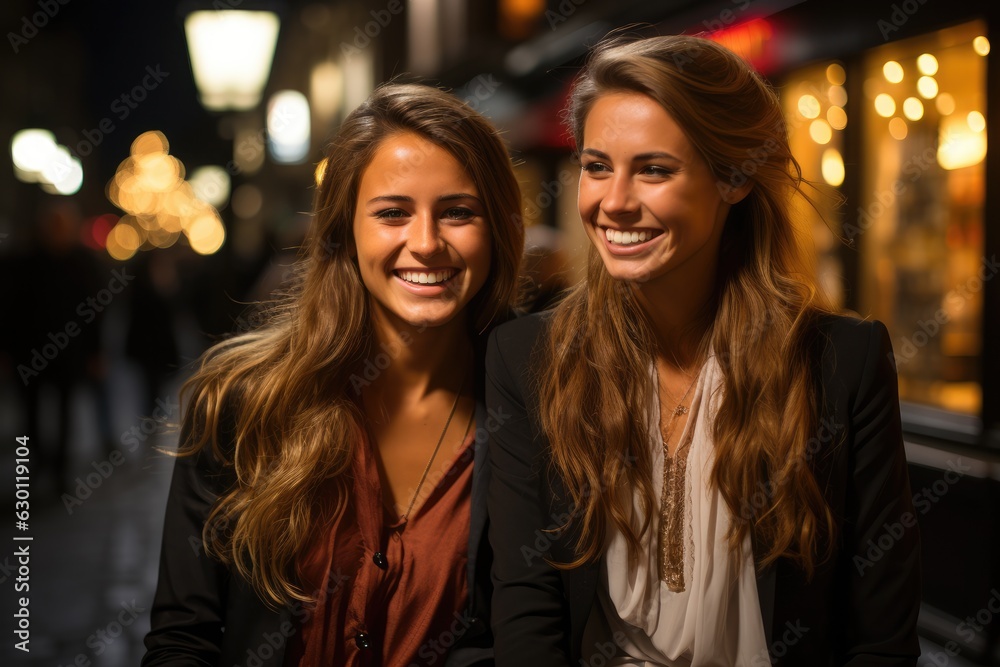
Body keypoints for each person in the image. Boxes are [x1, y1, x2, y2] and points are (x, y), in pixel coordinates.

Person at [486, 35, 920, 666]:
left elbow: (880, 638)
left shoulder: (839, 362)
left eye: (655, 169)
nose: (613, 202)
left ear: (734, 178)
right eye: (597, 165)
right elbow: (527, 619)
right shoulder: (526, 357)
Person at [142, 83, 524, 666]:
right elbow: (183, 639)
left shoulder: (539, 406)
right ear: (344, 229)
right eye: (392, 212)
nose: (425, 243)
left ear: (497, 229)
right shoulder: (243, 405)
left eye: (457, 212)